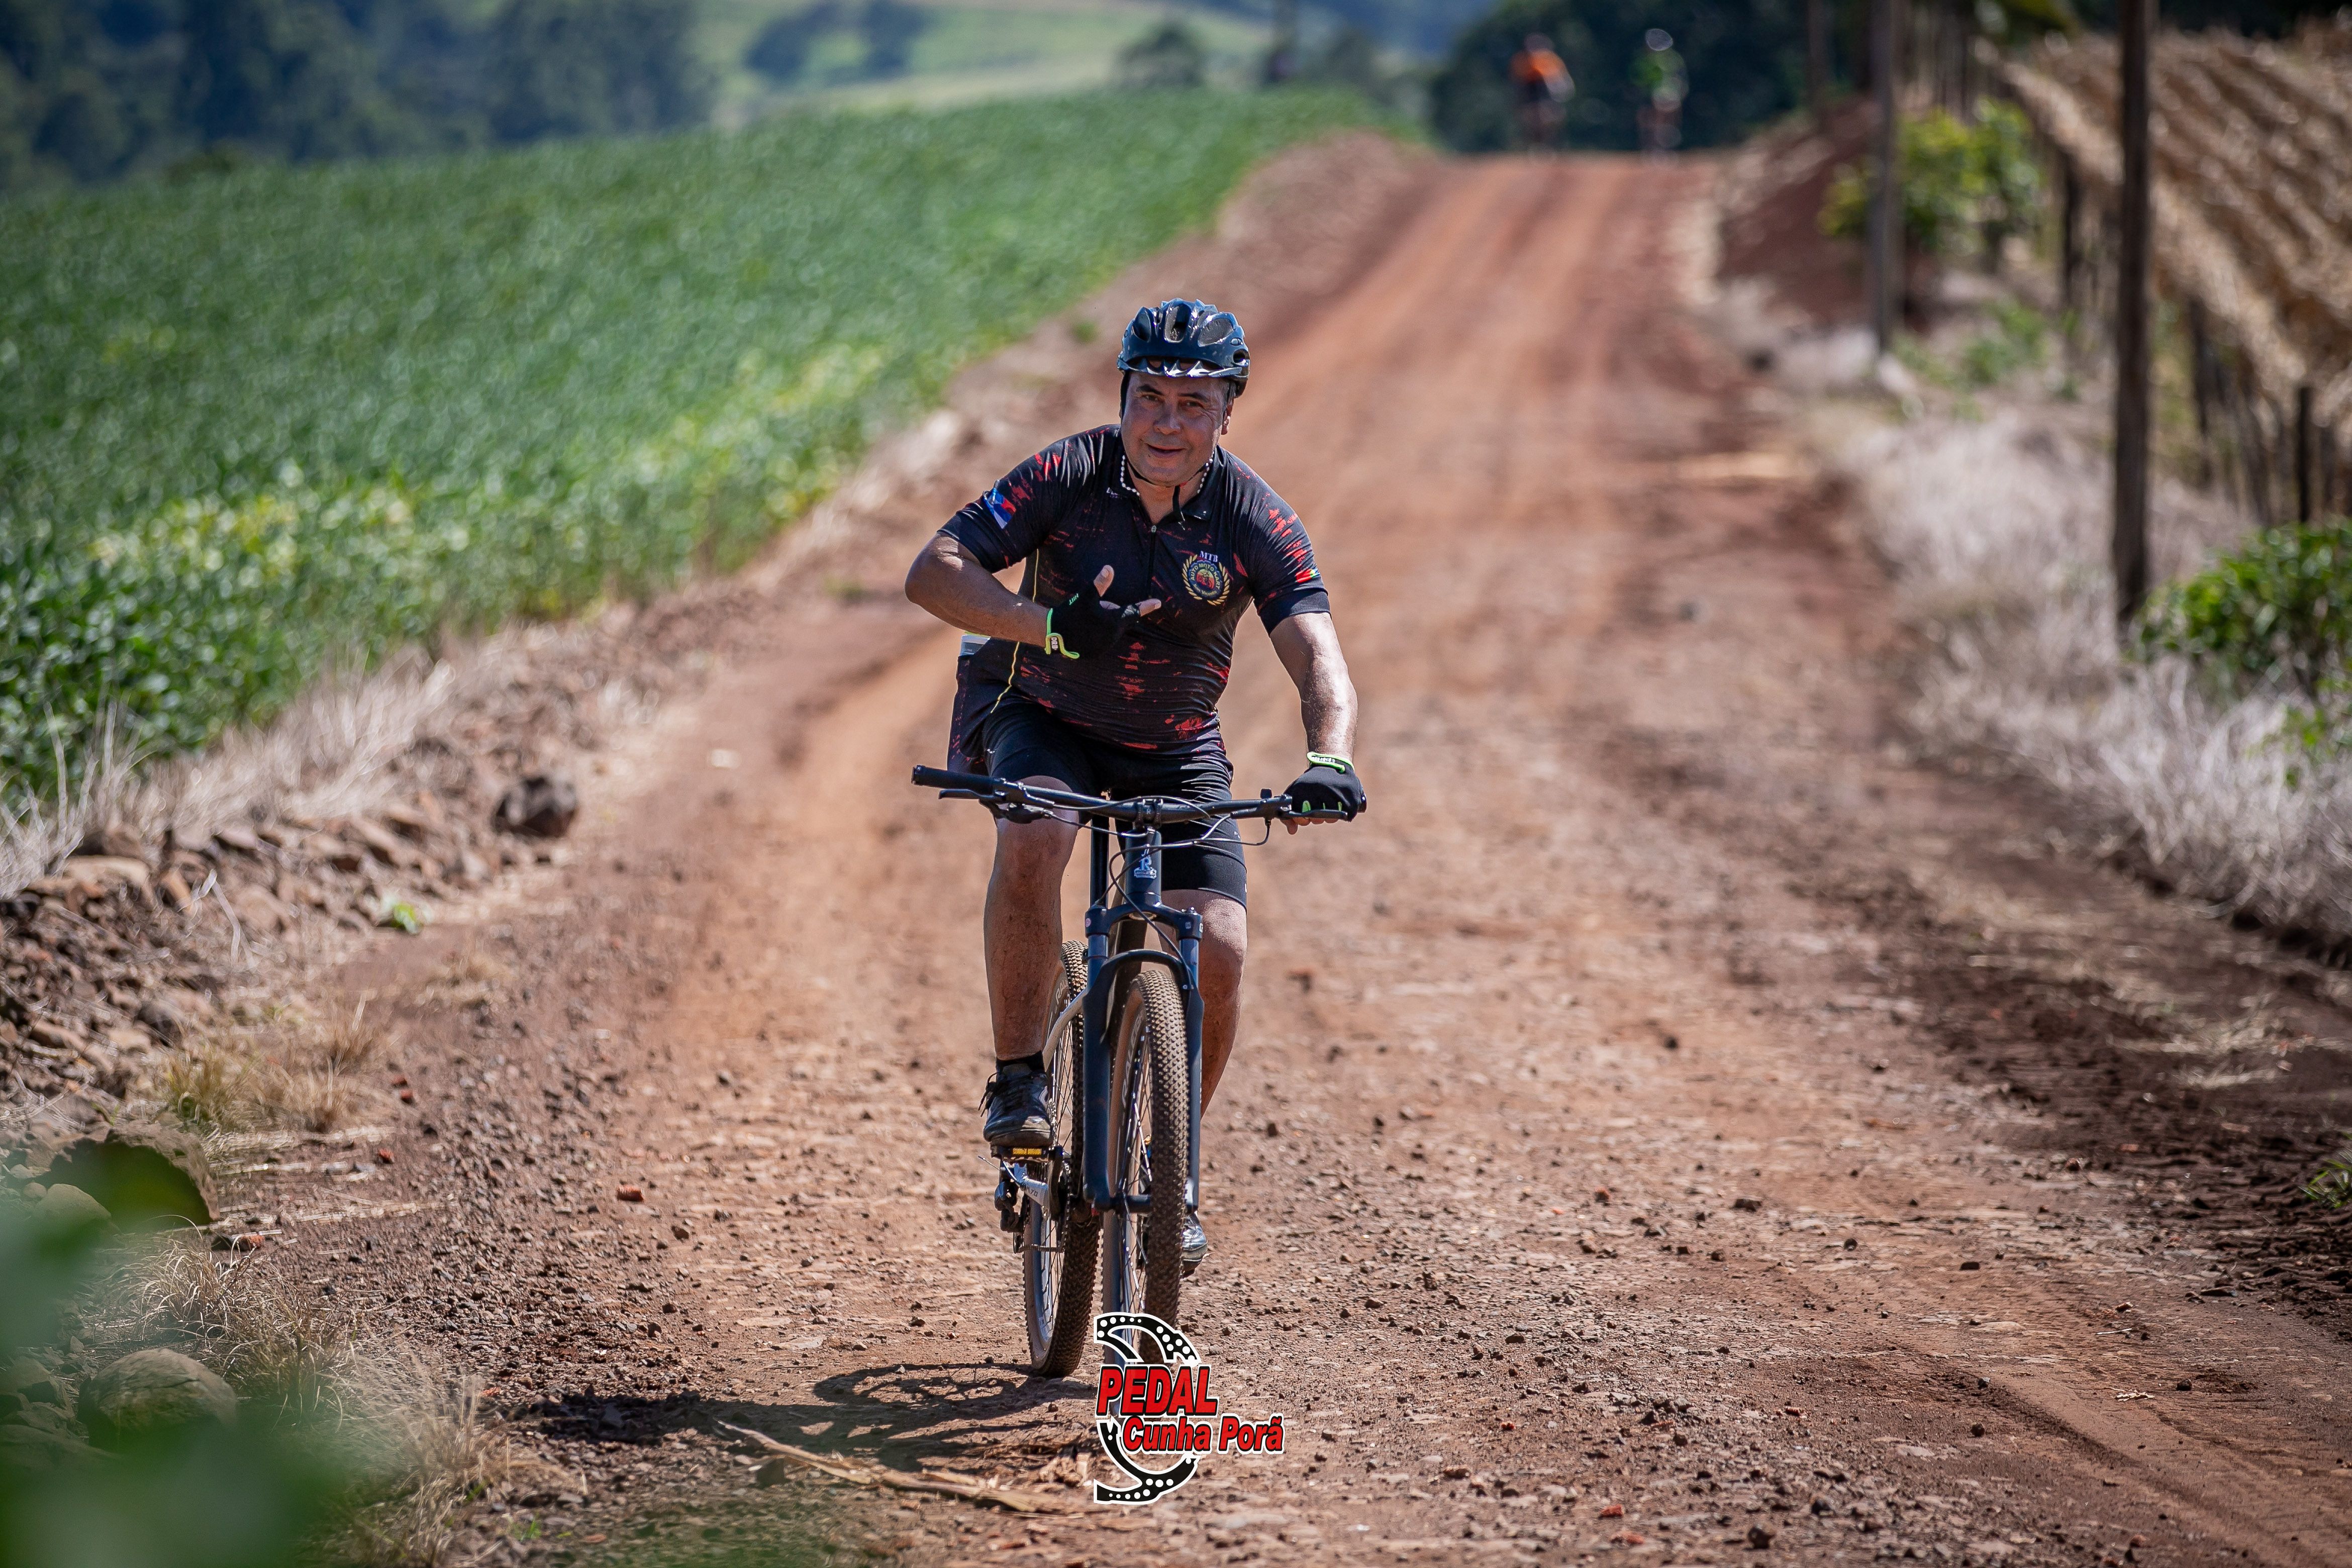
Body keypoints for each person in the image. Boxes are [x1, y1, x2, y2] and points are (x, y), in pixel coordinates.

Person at [903, 298, 1363, 1273]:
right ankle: (1020, 1083)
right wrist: (1045, 625)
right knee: (1037, 833)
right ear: (1122, 396)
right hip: (1049, 720)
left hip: (1175, 745)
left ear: (1227, 412)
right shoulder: (1068, 475)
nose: (1166, 422)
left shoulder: (1253, 516)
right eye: (1149, 397)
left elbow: (1318, 655)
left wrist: (1329, 757)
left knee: (1221, 946)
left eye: (1193, 405)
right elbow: (934, 571)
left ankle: (1169, 1173)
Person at [1508, 32, 1573, 151]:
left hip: (1547, 91)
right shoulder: (1522, 61)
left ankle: (1552, 144)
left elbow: (1561, 76)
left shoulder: (1551, 59)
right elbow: (1518, 81)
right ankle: (1537, 145)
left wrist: (1563, 90)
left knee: (1552, 118)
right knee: (1533, 119)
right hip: (1531, 91)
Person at [1633, 28, 1687, 157]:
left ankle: (1666, 150)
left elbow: (1680, 79)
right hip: (1654, 97)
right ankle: (1654, 150)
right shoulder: (1647, 61)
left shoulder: (1673, 60)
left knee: (1668, 125)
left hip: (1669, 97)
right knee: (1653, 125)